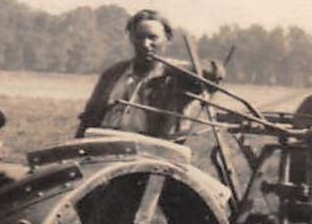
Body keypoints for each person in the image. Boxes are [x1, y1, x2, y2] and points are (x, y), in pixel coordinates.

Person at [75, 9, 222, 140]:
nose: (145, 44)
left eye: (153, 37)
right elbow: (88, 119)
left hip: (151, 153)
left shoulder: (178, 76)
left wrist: (184, 69)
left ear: (168, 38)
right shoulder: (113, 74)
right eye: (139, 37)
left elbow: (215, 72)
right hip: (105, 148)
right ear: (131, 38)